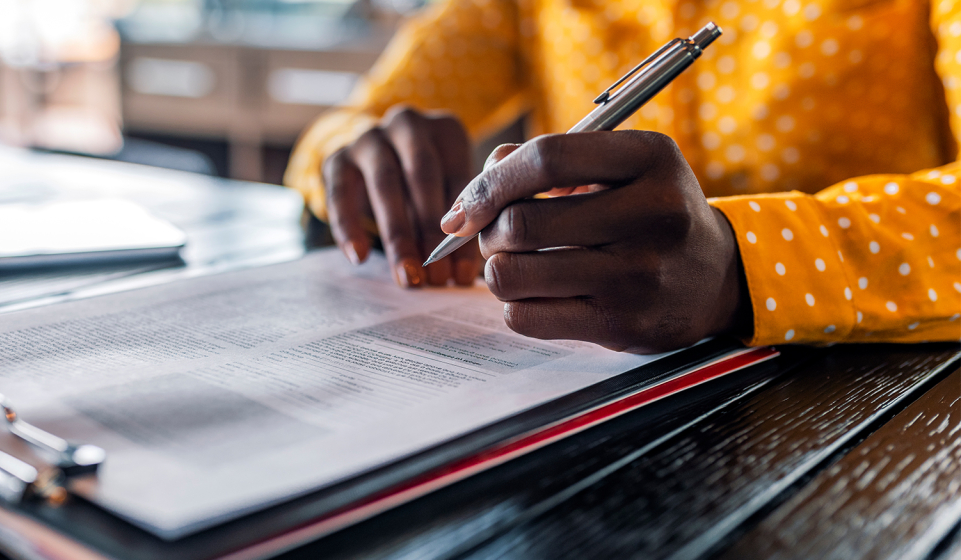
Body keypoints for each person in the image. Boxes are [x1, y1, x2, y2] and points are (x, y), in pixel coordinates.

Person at [284, 0, 960, 352]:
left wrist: (743, 262)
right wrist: (357, 148)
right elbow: (340, 125)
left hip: (864, 389)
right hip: (584, 399)